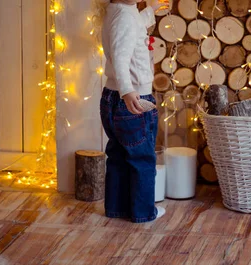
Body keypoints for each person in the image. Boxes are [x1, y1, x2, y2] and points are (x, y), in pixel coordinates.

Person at [99, 0, 169, 223]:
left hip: (111, 96)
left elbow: (134, 27)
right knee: (143, 159)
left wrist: (151, 10)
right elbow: (120, 57)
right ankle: (144, 212)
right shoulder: (126, 17)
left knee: (118, 155)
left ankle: (116, 208)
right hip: (133, 99)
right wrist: (128, 91)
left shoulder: (120, 12)